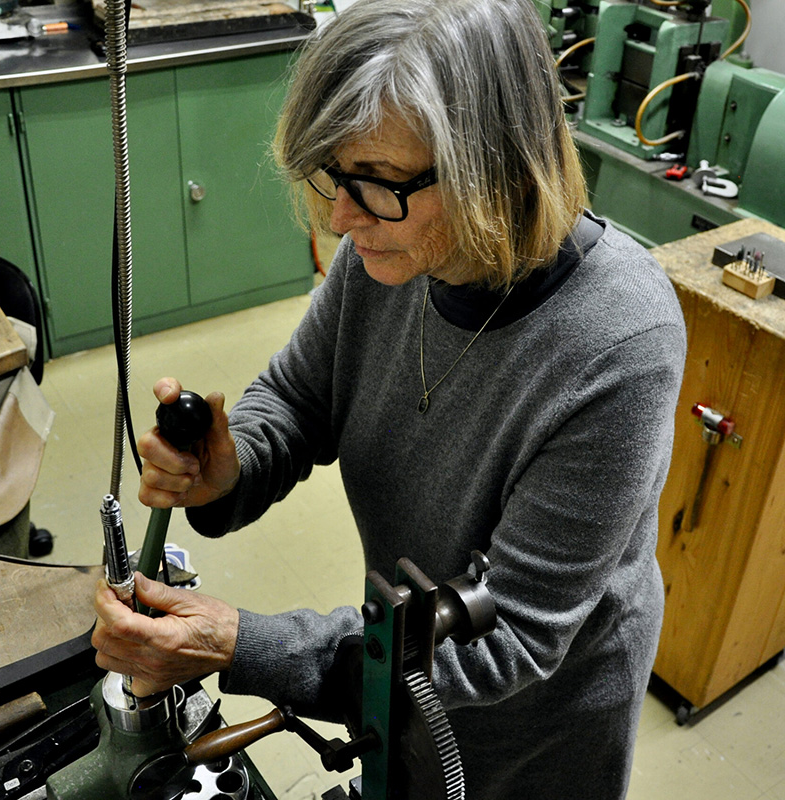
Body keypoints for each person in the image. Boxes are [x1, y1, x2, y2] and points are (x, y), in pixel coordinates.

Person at [92, 0, 687, 797]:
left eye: (373, 186)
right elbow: (301, 398)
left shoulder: (620, 344)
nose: (340, 220)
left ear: (494, 167)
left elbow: (506, 638)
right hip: (393, 666)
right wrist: (230, 469)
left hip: (536, 722)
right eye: (336, 179)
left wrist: (243, 644)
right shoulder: (396, 249)